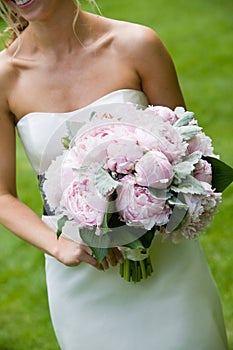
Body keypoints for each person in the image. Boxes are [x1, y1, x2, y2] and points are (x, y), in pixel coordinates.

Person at [0, 1, 228, 349]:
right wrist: (58, 246)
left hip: (167, 261)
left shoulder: (137, 45)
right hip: (82, 275)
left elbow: (187, 150)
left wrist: (155, 198)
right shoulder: (5, 76)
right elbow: (2, 196)